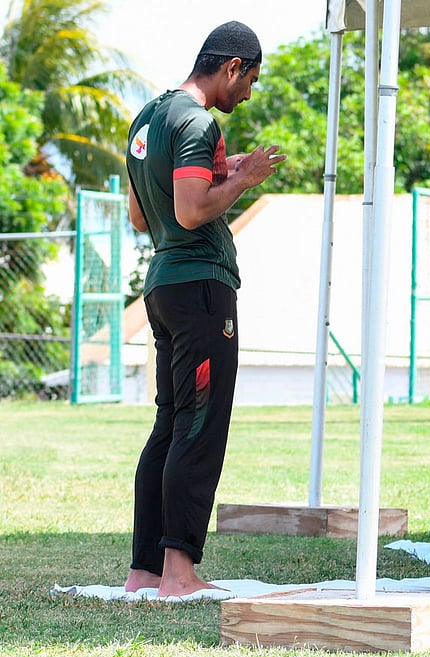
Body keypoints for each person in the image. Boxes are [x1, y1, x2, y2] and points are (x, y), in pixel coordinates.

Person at [122, 21, 285, 596]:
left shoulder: (148, 119)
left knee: (170, 423)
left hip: (163, 285)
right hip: (200, 290)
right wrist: (247, 179)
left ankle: (143, 571)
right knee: (200, 425)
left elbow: (143, 216)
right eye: (251, 81)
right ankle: (180, 572)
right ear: (233, 67)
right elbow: (193, 212)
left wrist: (225, 169)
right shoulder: (197, 122)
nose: (248, 95)